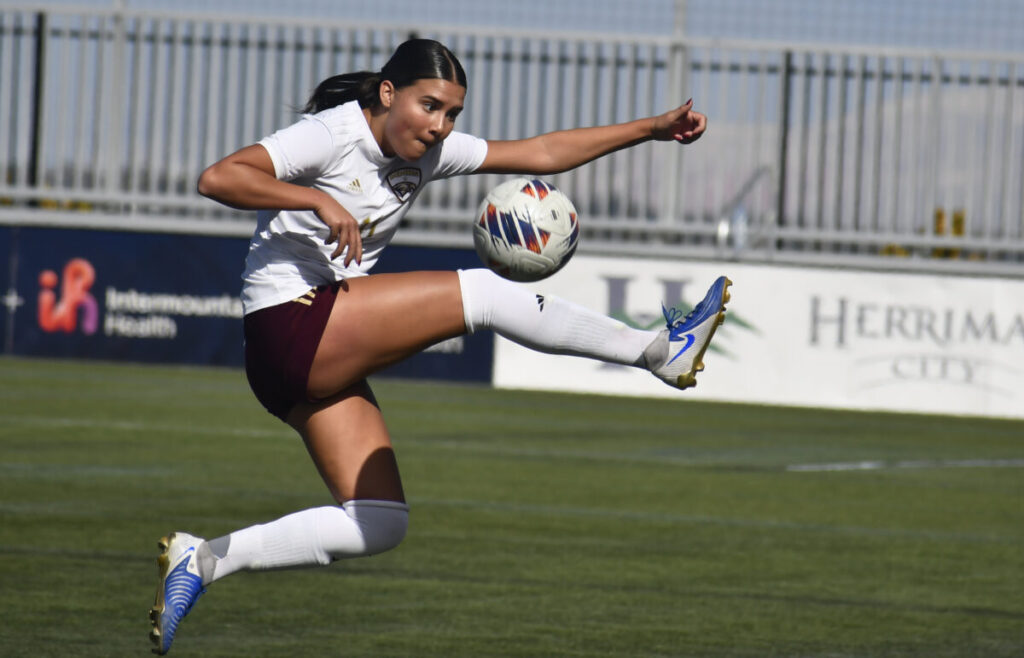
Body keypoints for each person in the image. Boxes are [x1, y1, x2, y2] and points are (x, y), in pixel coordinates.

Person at [148, 38, 729, 654]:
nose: (440, 126)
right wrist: (316, 196)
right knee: (481, 292)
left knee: (378, 520)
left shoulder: (431, 149)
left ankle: (204, 560)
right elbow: (219, 177)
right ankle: (656, 351)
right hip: (289, 324)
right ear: (388, 93)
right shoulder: (330, 134)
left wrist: (652, 128)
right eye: (429, 107)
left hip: (302, 360)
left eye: (452, 113)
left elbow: (542, 152)